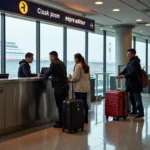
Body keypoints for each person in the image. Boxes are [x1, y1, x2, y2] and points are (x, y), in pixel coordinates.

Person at [39, 51, 68, 128]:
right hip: (65, 87)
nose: (49, 59)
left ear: (53, 56)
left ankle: (61, 122)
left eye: (50, 57)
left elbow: (47, 74)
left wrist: (40, 77)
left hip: (59, 87)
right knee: (63, 105)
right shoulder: (62, 63)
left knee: (59, 105)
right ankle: (63, 121)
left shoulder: (54, 64)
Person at [117, 49, 144, 118]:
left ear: (134, 54)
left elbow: (133, 73)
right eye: (127, 53)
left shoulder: (135, 62)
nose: (128, 55)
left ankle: (141, 112)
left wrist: (124, 76)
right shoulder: (130, 62)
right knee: (131, 97)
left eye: (130, 53)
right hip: (130, 84)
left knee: (137, 98)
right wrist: (119, 74)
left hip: (136, 84)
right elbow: (125, 70)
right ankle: (134, 110)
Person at [70, 53, 90, 123]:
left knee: (79, 104)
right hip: (85, 87)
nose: (74, 60)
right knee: (85, 103)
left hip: (79, 87)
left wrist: (71, 80)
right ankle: (86, 118)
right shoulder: (86, 66)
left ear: (77, 59)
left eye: (74, 58)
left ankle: (79, 118)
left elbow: (76, 77)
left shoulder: (78, 66)